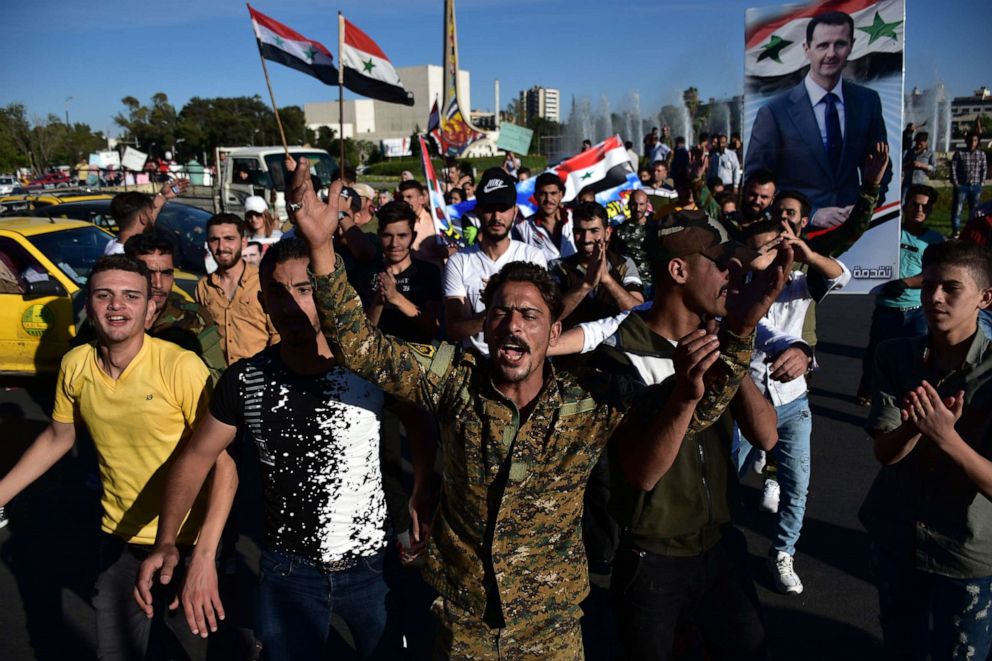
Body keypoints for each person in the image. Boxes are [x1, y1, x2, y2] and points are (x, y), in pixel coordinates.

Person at [283, 154, 788, 659]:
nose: (512, 324)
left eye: (529, 314)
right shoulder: (453, 380)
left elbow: (696, 414)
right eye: (500, 312)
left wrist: (737, 337)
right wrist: (322, 249)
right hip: (464, 633)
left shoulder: (591, 396)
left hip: (552, 636)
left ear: (551, 333)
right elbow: (363, 349)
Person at [135, 239, 407, 660]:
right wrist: (168, 540)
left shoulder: (369, 368)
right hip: (288, 570)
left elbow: (423, 423)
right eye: (278, 292)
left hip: (372, 568)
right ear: (262, 300)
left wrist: (423, 491)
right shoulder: (246, 380)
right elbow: (197, 457)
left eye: (304, 289)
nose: (292, 304)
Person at [0, 254, 236, 660]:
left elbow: (223, 466)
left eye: (130, 296)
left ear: (150, 309)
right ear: (88, 306)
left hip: (186, 543)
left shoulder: (180, 366)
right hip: (118, 539)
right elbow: (58, 437)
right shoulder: (76, 365)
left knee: (187, 650)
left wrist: (204, 558)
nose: (116, 305)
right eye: (104, 295)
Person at [590, 210, 791, 660]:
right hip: (652, 559)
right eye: (721, 264)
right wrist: (684, 392)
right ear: (678, 270)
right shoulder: (619, 355)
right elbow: (642, 473)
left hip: (720, 546)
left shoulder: (720, 341)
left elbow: (766, 436)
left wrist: (735, 342)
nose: (731, 276)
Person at [860, 240, 992, 659]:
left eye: (951, 288)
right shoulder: (895, 356)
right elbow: (886, 452)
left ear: (985, 298)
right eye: (929, 285)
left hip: (967, 554)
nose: (934, 297)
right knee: (902, 648)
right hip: (897, 538)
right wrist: (914, 428)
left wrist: (946, 437)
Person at [738, 218, 851, 595]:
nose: (773, 255)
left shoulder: (802, 285)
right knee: (725, 478)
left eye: (779, 246)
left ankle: (783, 553)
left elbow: (842, 277)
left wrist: (809, 254)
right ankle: (719, 547)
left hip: (792, 402)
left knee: (797, 486)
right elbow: (760, 327)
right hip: (743, 403)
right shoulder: (736, 289)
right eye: (762, 248)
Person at [744, 11, 889, 220]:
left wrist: (864, 207)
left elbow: (882, 166)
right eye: (822, 45)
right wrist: (810, 214)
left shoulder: (867, 102)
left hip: (855, 229)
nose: (831, 54)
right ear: (807, 49)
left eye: (839, 44)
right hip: (797, 232)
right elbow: (756, 180)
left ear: (851, 45)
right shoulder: (775, 112)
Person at [857, 185, 945, 404]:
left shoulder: (936, 240)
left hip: (917, 310)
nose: (919, 209)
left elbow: (936, 274)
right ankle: (867, 390)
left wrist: (907, 283)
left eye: (925, 206)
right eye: (915, 203)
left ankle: (910, 398)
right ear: (905, 205)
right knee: (877, 354)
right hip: (887, 306)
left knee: (917, 359)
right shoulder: (888, 233)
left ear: (931, 209)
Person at [445, 168, 547, 355]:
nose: (497, 217)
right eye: (490, 209)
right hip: (475, 363)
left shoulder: (532, 257)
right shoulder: (459, 261)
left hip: (521, 357)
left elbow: (539, 320)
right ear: (478, 211)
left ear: (515, 211)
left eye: (503, 208)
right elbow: (454, 329)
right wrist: (492, 309)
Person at [195, 213, 279, 365]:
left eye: (229, 239)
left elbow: (277, 335)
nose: (221, 247)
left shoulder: (262, 281)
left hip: (260, 374)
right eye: (215, 240)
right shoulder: (203, 287)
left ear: (244, 242)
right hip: (220, 378)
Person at [553, 202, 644, 326]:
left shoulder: (624, 264)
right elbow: (551, 315)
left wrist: (607, 280)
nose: (586, 239)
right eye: (580, 231)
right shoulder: (557, 267)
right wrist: (585, 285)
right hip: (573, 342)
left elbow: (639, 312)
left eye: (594, 231)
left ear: (607, 233)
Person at [368, 201, 443, 344]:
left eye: (402, 236)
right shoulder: (367, 273)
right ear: (379, 235)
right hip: (377, 359)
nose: (394, 243)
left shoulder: (428, 272)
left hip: (418, 359)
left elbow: (435, 327)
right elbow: (362, 334)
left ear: (413, 237)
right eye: (387, 236)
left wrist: (395, 297)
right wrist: (379, 300)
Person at [103, 179, 190, 255]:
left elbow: (148, 216)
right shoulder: (124, 256)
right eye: (150, 213)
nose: (152, 216)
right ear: (143, 218)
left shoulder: (114, 244)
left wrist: (163, 196)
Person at [512, 171, 575, 262]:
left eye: (553, 193)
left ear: (561, 195)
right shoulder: (522, 228)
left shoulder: (574, 218)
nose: (548, 199)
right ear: (535, 196)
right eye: (543, 194)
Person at [614, 189, 655, 296]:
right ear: (628, 205)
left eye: (641, 204)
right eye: (634, 204)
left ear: (647, 204)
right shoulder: (619, 230)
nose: (638, 209)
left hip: (653, 283)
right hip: (630, 284)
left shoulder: (655, 228)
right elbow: (616, 257)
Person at [950, 131, 988, 237]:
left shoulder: (981, 154)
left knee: (975, 210)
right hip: (962, 186)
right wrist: (956, 183)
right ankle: (956, 231)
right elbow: (953, 168)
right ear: (966, 141)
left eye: (975, 140)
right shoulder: (959, 153)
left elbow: (984, 169)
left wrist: (982, 182)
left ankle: (972, 230)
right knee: (958, 209)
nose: (972, 142)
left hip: (976, 186)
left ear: (978, 142)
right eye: (970, 140)